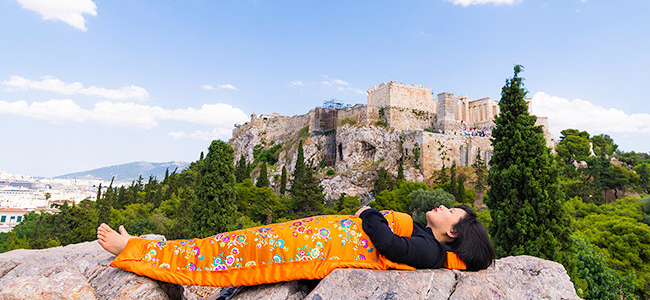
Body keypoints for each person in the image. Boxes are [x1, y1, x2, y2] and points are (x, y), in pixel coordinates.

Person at [97, 204, 495, 287]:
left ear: (454, 234)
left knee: (231, 255)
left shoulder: (429, 252)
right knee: (232, 242)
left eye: (451, 211)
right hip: (312, 238)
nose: (441, 206)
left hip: (312, 251)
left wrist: (371, 213)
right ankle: (142, 247)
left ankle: (130, 253)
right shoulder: (426, 238)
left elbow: (388, 246)